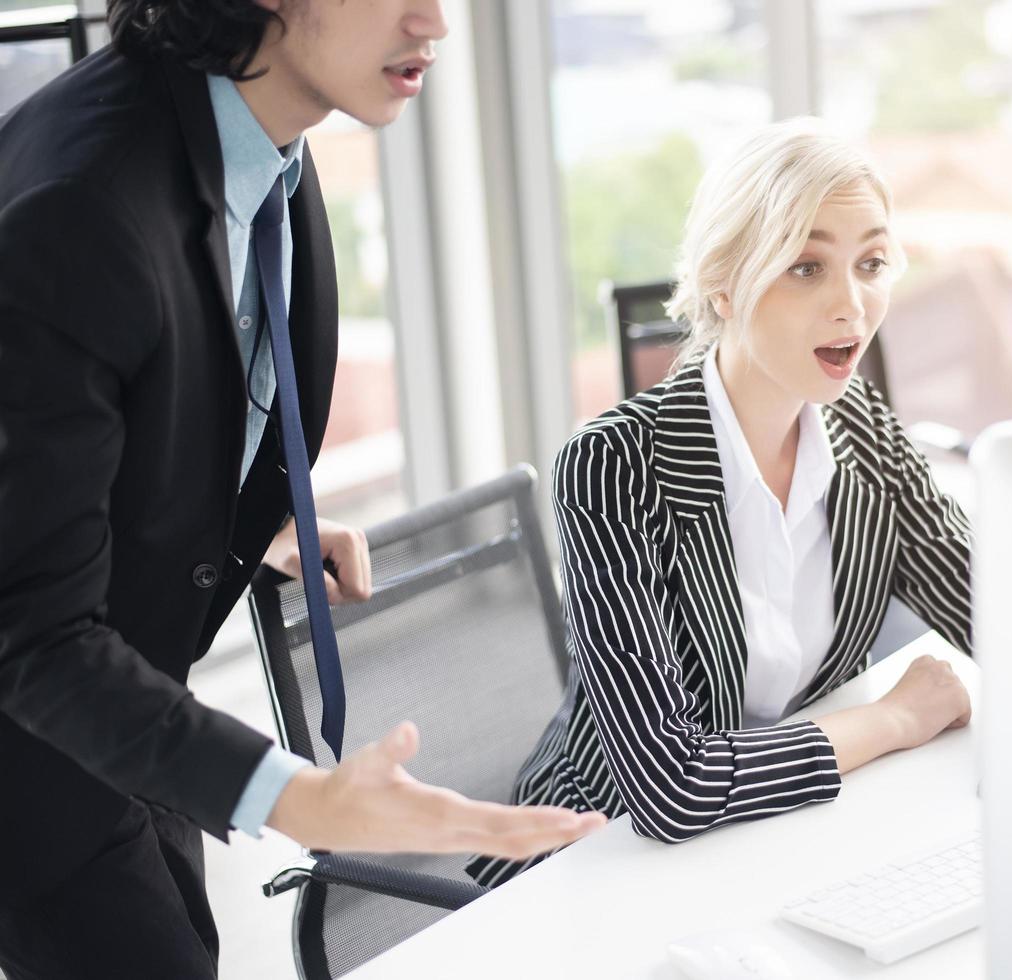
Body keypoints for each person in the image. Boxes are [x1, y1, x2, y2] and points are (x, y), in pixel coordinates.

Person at [466, 118, 1012, 889]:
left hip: (765, 844)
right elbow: (673, 787)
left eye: (872, 263)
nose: (852, 305)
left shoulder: (865, 432)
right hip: (589, 866)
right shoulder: (613, 467)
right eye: (807, 268)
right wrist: (892, 721)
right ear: (725, 283)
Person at [0, 2, 602, 977]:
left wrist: (238, 510)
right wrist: (299, 797)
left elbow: (126, 402)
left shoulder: (260, 131)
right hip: (37, 734)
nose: (434, 21)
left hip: (126, 693)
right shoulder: (85, 203)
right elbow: (28, 630)